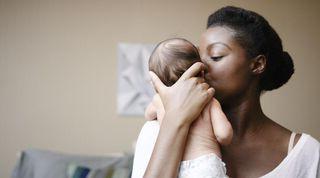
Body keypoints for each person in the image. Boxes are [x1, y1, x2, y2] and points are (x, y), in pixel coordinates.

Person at [132, 6, 320, 178]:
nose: (200, 65)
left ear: (257, 64)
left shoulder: (307, 154)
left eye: (216, 56)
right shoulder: (157, 130)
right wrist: (174, 124)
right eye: (197, 56)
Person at [144, 38, 233, 178]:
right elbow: (224, 135)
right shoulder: (209, 100)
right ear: (201, 72)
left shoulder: (158, 101)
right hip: (206, 166)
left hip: (174, 167)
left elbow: (149, 116)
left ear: (157, 82)